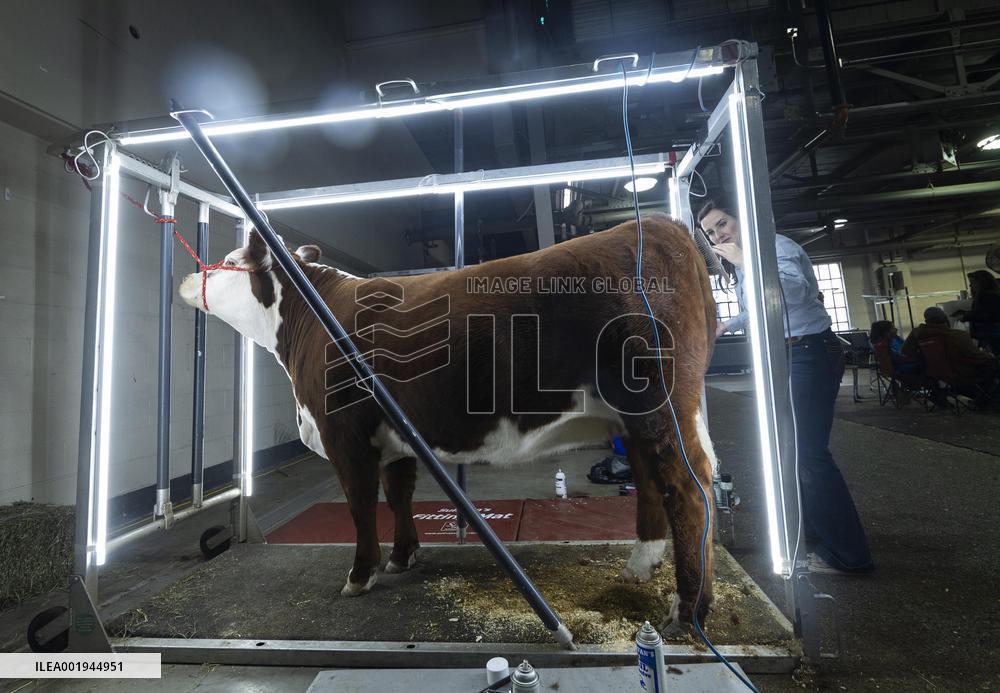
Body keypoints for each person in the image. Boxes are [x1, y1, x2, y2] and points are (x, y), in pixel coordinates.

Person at [699, 198, 874, 576]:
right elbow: (762, 303)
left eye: (723, 223)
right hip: (789, 353)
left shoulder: (775, 248)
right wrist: (727, 324)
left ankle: (850, 555)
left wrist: (746, 263)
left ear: (743, 218)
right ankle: (814, 531)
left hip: (809, 351)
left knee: (809, 454)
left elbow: (790, 292)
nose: (719, 235)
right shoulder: (748, 262)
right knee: (793, 452)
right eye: (712, 232)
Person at [901, 306, 998, 402]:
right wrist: (989, 356)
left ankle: (980, 398)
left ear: (926, 320)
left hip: (934, 374)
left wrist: (924, 357)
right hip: (961, 374)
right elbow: (976, 356)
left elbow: (905, 351)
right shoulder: (957, 335)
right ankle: (986, 399)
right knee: (994, 364)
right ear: (945, 319)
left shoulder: (917, 334)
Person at [952, 270, 1000, 354]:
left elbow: (989, 316)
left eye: (973, 283)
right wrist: (966, 313)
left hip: (991, 336)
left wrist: (966, 316)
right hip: (987, 336)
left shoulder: (988, 296)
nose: (970, 285)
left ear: (982, 283)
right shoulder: (987, 296)